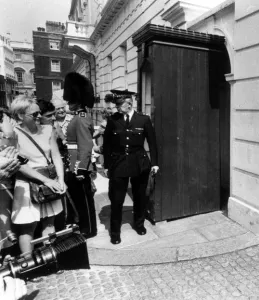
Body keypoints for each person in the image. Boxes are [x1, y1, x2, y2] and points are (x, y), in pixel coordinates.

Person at [10, 95, 66, 253]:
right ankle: (28, 265)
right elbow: (18, 164)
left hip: (50, 181)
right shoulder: (14, 135)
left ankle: (50, 259)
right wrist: (46, 180)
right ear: (21, 116)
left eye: (39, 112)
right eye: (34, 114)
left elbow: (55, 156)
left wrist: (60, 180)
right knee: (28, 228)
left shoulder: (48, 129)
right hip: (27, 184)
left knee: (49, 222)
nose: (39, 116)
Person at [103, 90, 159, 245]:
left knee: (139, 196)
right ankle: (115, 232)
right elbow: (107, 144)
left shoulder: (143, 119)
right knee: (117, 199)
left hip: (139, 162)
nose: (118, 108)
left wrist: (154, 163)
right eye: (117, 105)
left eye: (121, 105)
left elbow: (152, 143)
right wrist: (107, 165)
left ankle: (139, 224)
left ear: (130, 103)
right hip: (118, 163)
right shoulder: (113, 119)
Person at [63, 72, 97, 238]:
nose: (68, 103)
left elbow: (85, 146)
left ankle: (89, 229)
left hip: (79, 167)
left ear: (78, 101)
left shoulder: (81, 118)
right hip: (74, 163)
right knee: (79, 200)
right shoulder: (77, 117)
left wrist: (81, 169)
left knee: (85, 201)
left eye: (71, 101)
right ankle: (83, 225)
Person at [0, 109, 20, 255]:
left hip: (5, 182)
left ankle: (7, 254)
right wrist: (9, 135)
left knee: (5, 217)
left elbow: (10, 155)